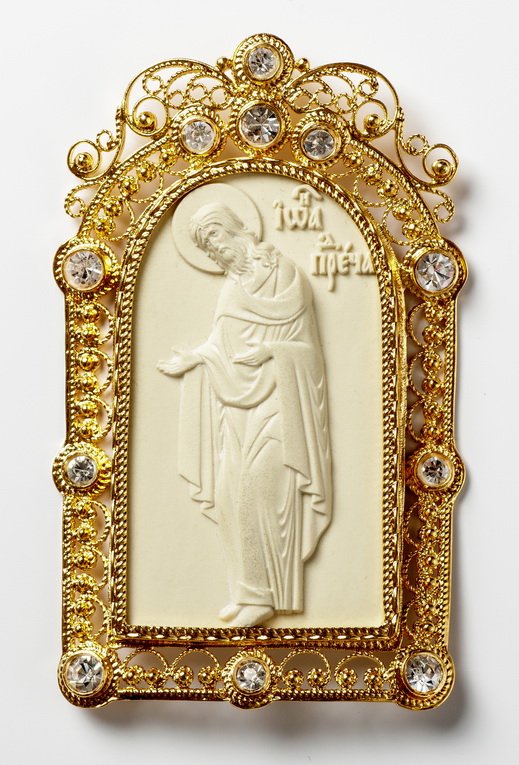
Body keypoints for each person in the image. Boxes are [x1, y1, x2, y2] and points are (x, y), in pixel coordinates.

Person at [157, 202, 332, 627]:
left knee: (258, 490)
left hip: (281, 402)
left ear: (233, 228)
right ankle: (246, 591)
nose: (212, 249)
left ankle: (264, 598)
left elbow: (308, 351)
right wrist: (196, 358)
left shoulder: (284, 274)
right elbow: (222, 344)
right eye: (203, 246)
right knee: (230, 494)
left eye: (213, 237)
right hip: (235, 408)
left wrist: (271, 351)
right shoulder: (231, 287)